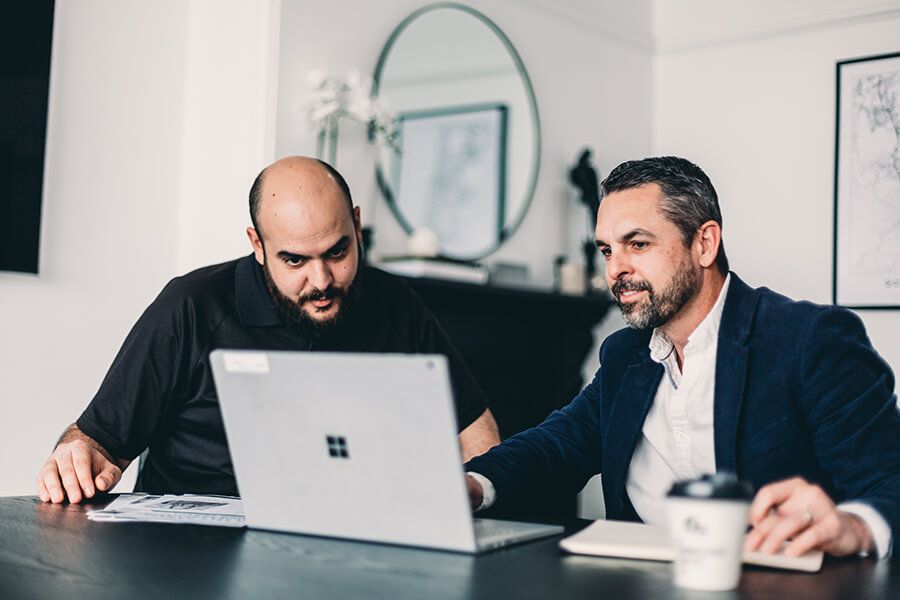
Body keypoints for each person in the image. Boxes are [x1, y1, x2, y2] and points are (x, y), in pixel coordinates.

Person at [466, 156, 899, 559]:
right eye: (606, 250)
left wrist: (855, 527)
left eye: (637, 244)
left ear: (705, 244)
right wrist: (471, 484)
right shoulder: (623, 356)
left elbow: (889, 481)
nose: (615, 269)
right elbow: (555, 446)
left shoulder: (809, 340)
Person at [37, 156, 499, 504]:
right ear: (258, 245)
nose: (321, 281)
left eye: (338, 252)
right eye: (295, 260)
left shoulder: (396, 304)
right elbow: (98, 441)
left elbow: (475, 431)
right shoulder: (190, 307)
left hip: (350, 548)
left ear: (357, 226)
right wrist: (77, 459)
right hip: (192, 558)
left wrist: (456, 500)